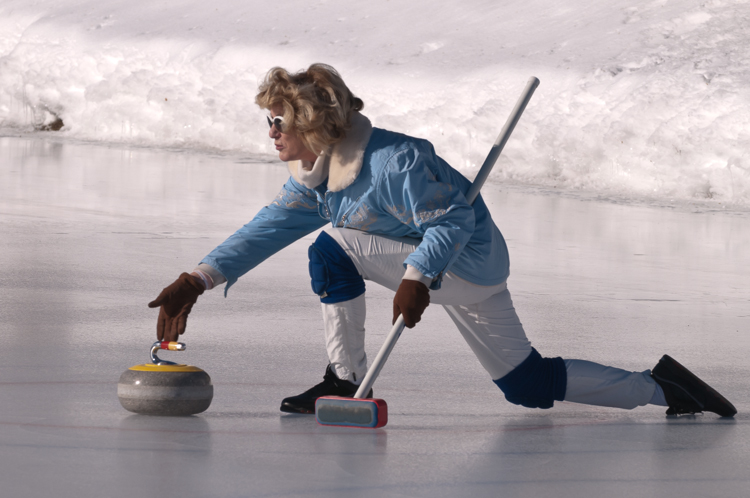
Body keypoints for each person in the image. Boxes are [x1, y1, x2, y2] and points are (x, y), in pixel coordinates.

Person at [148, 63, 736, 418]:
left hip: (464, 265)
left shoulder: (395, 161)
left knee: (331, 249)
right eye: (268, 121)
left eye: (279, 121)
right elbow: (267, 227)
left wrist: (414, 277)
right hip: (439, 276)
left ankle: (343, 379)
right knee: (526, 386)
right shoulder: (317, 177)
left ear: (310, 124)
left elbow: (451, 223)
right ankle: (666, 390)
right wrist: (198, 278)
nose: (271, 133)